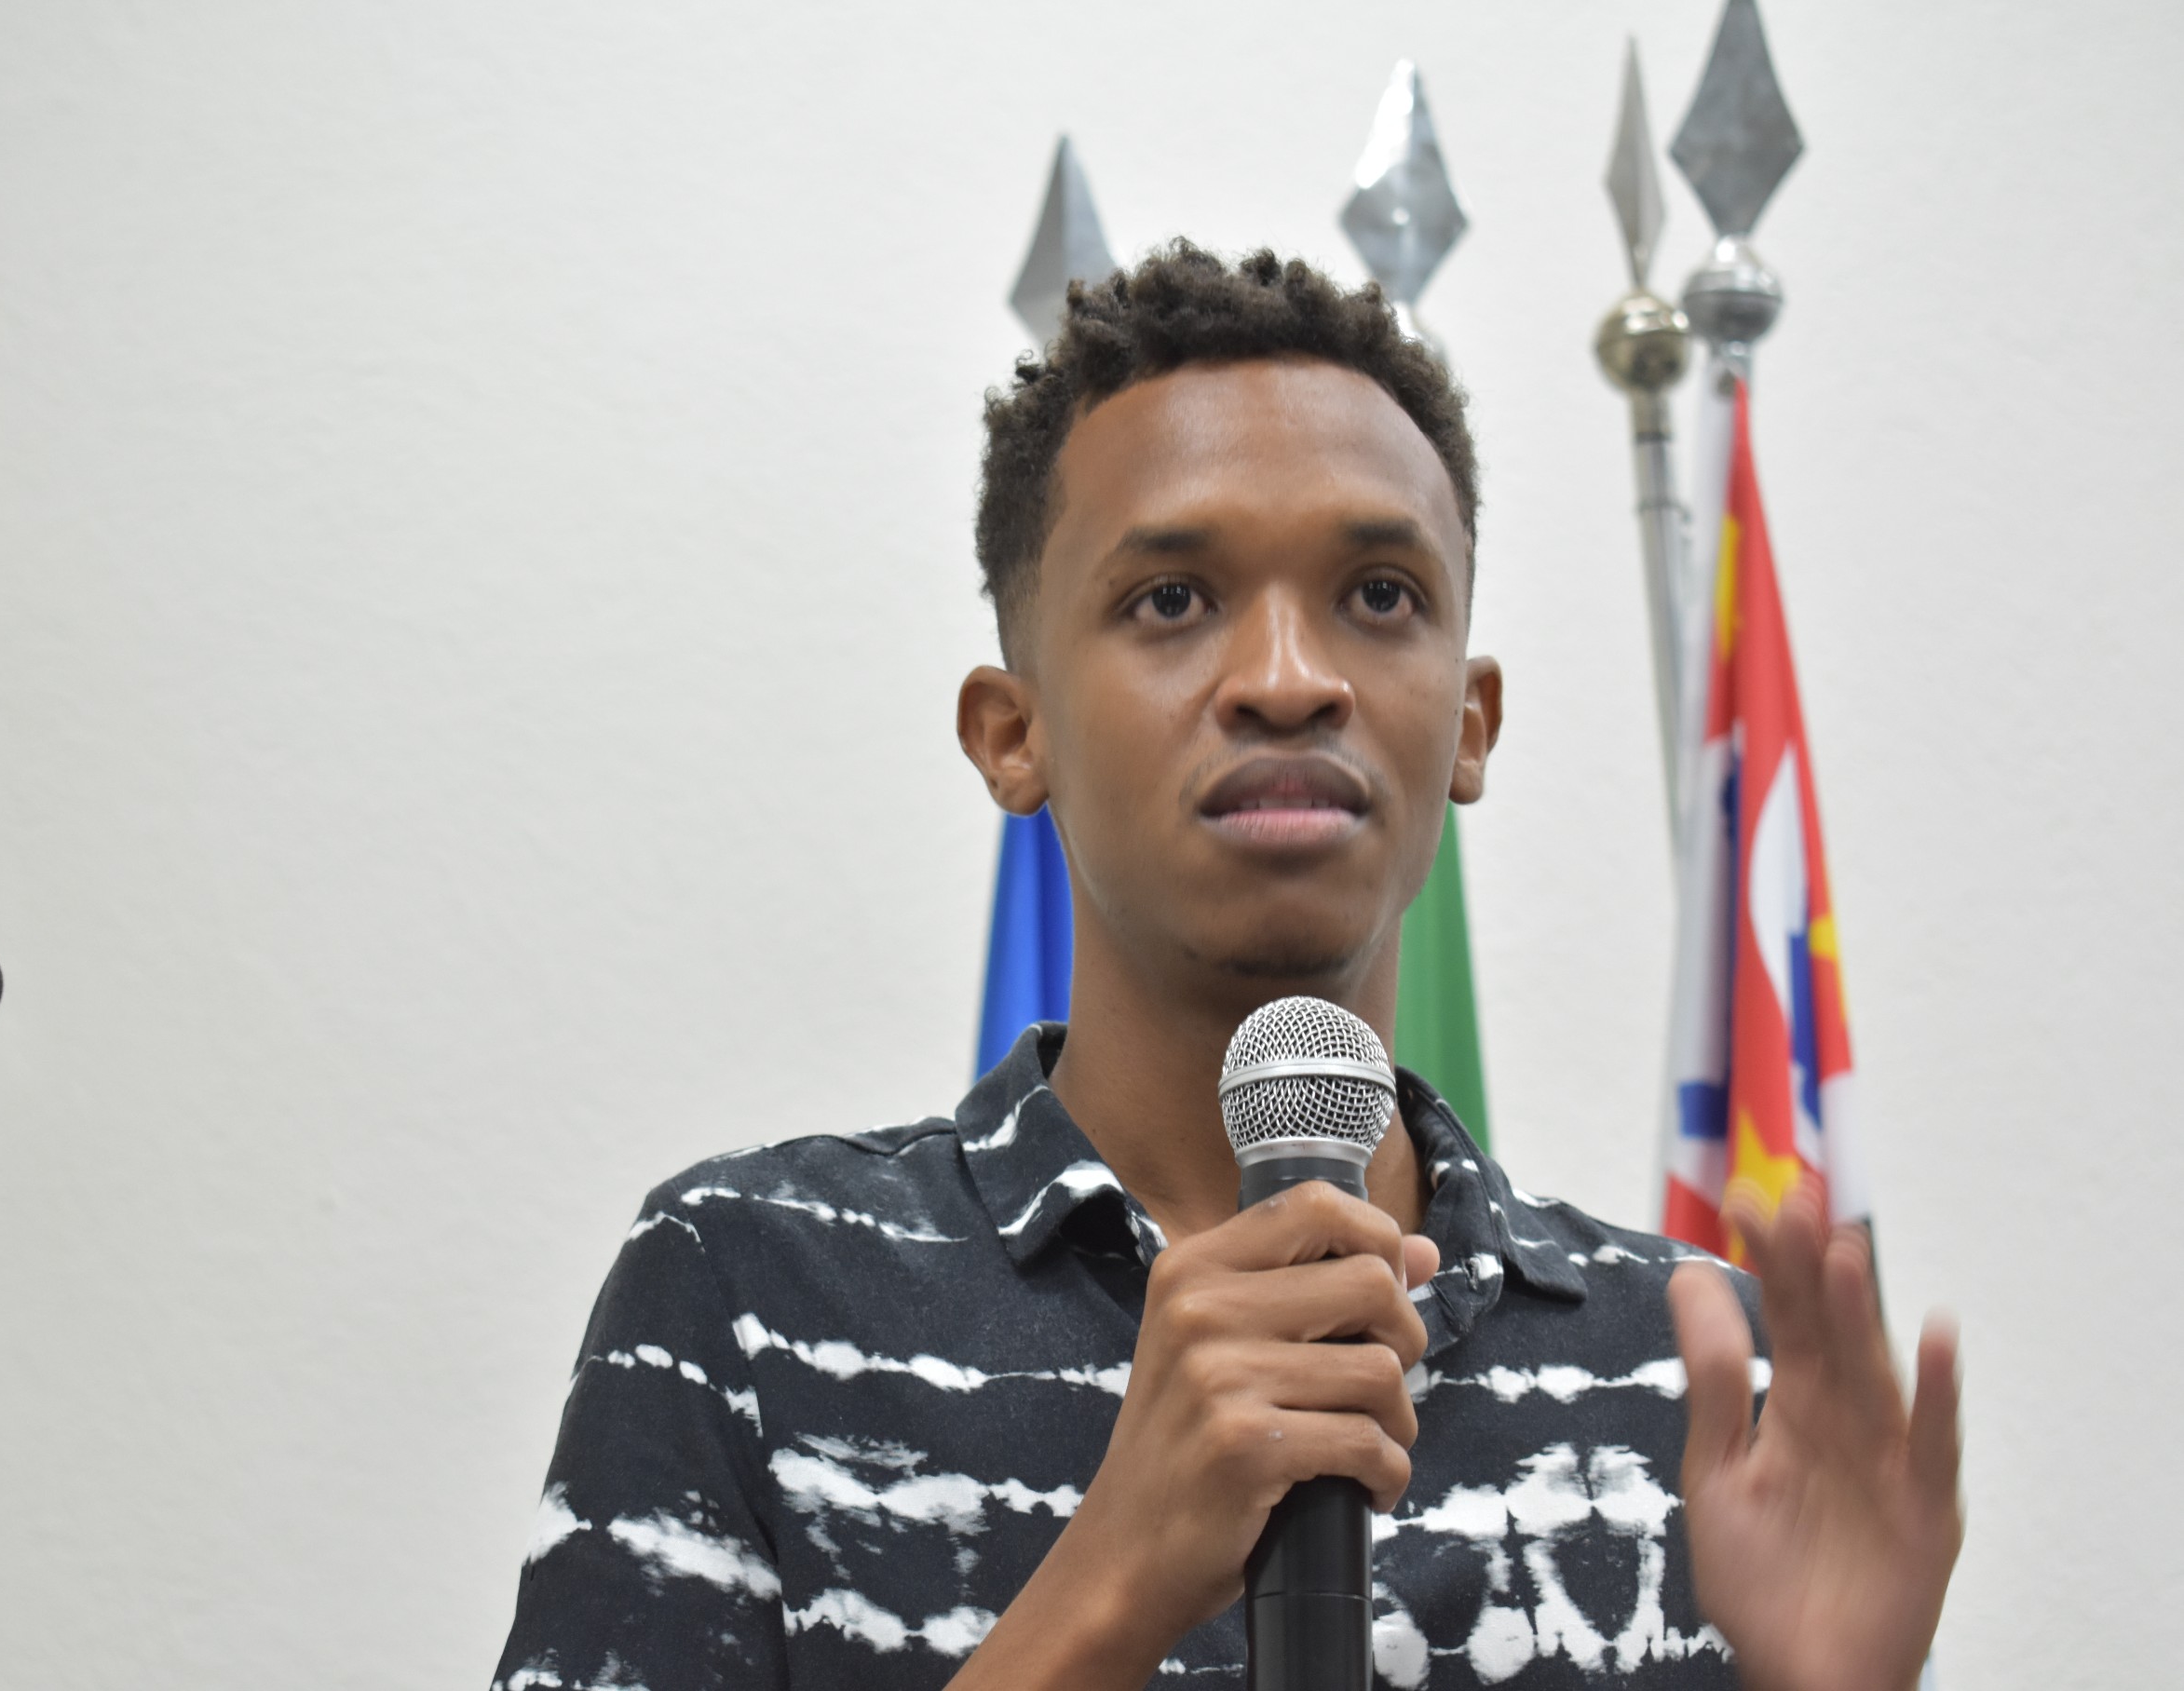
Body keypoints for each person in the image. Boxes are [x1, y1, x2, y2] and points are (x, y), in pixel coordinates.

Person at [492, 244, 1961, 1691]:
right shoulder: (749, 1296)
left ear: (1469, 725)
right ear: (1014, 734)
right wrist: (1111, 1584)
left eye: (1378, 595)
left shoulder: (1706, 1377)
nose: (1286, 679)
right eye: (1173, 600)